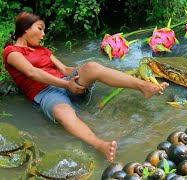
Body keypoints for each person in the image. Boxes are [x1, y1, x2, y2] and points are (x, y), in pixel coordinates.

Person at [2, 12, 169, 162]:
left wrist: (85, 70)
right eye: (40, 29)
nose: (43, 34)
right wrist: (66, 84)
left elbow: (66, 70)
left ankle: (144, 87)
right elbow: (32, 73)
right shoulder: (12, 52)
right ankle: (100, 145)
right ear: (25, 28)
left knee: (92, 66)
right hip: (46, 93)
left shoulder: (43, 50)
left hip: (67, 83)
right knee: (62, 112)